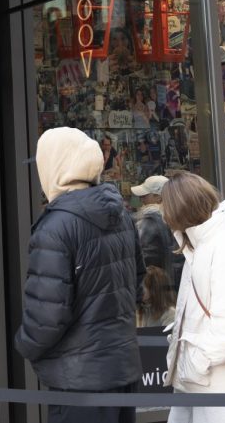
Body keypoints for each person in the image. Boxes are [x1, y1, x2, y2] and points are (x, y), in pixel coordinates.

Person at [14, 127, 143, 423]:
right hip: (121, 368)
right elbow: (137, 287)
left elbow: (46, 316)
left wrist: (24, 345)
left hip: (80, 378)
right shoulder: (121, 215)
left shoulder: (56, 227)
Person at [162, 171, 225, 423]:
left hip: (213, 383)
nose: (166, 219)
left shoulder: (222, 247)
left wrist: (195, 360)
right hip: (200, 381)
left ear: (181, 211)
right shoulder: (201, 244)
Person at [132, 175, 178, 285]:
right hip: (173, 281)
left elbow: (143, 256)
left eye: (145, 196)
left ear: (159, 197)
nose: (141, 199)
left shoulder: (151, 219)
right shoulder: (177, 216)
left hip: (156, 284)